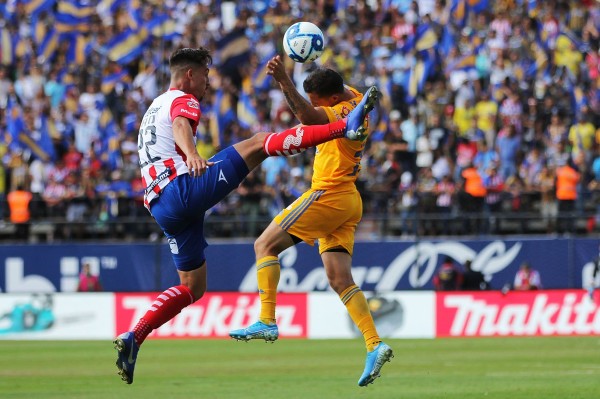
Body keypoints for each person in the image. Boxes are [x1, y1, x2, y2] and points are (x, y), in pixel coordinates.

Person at [113, 47, 378, 385]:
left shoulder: (153, 107)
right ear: (190, 75)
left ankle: (135, 336)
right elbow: (181, 123)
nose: (208, 85)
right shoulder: (183, 97)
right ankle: (344, 129)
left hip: (162, 207)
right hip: (182, 187)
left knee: (192, 287)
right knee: (258, 143)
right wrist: (193, 153)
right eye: (206, 77)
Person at [229, 57, 393, 387]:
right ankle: (375, 344)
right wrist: (313, 63)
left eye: (316, 98)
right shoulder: (352, 96)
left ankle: (266, 319)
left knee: (264, 244)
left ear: (331, 100)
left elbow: (307, 117)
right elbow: (325, 91)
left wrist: (284, 80)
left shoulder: (338, 112)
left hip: (329, 193)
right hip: (349, 199)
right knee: (340, 280)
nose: (312, 103)